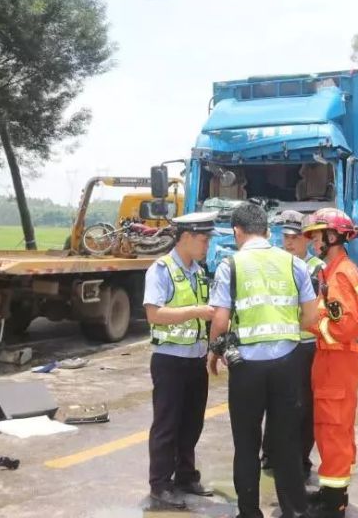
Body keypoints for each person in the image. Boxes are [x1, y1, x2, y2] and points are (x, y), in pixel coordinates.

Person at [208, 203, 318, 518]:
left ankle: (249, 512)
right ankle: (294, 511)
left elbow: (220, 319)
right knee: (286, 441)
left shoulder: (231, 265)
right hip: (288, 362)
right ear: (269, 232)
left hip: (246, 367)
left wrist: (214, 351)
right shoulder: (295, 264)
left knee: (246, 444)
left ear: (237, 232)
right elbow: (311, 316)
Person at [143, 212, 218, 509]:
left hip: (195, 360)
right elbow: (154, 314)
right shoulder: (161, 270)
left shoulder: (199, 271)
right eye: (203, 239)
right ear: (186, 238)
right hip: (169, 361)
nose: (207, 245)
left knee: (191, 423)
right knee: (166, 425)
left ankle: (186, 476)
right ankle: (160, 484)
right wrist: (197, 311)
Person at [301, 208, 358, 518]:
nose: (314, 242)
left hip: (336, 359)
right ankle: (331, 492)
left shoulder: (341, 274)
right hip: (334, 360)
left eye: (317, 236)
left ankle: (334, 505)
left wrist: (313, 324)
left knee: (334, 429)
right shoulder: (336, 271)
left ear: (332, 237)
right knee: (332, 429)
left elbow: (347, 326)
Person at [260, 210, 322, 487]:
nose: (289, 243)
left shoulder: (316, 269)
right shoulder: (277, 264)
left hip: (306, 347)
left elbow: (315, 310)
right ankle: (271, 456)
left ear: (307, 240)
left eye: (295, 238)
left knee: (304, 407)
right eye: (285, 237)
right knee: (276, 404)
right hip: (281, 345)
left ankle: (301, 460)